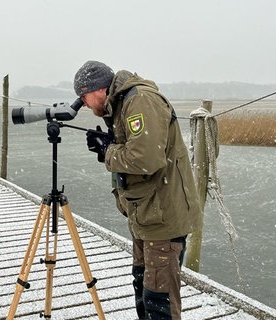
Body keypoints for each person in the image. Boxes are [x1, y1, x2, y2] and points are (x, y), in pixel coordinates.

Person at [73, 61, 202, 320]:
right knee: (144, 291)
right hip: (146, 215)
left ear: (99, 90)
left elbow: (146, 159)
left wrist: (106, 151)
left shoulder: (139, 101)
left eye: (83, 97)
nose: (83, 105)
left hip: (163, 217)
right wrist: (109, 145)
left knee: (159, 301)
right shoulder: (121, 105)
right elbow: (137, 149)